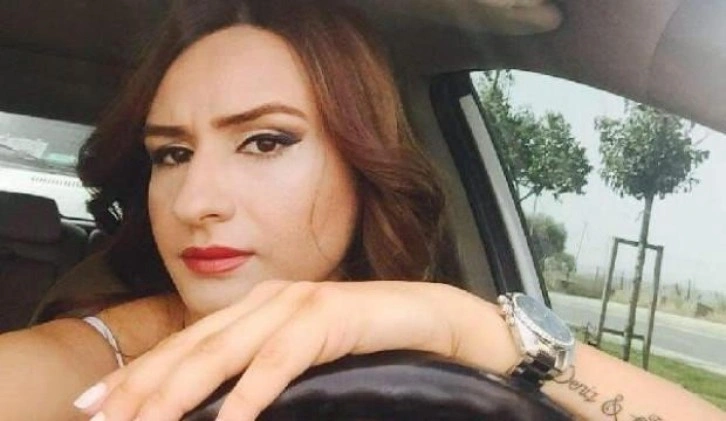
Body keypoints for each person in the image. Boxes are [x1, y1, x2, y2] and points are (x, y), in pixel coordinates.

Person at [0, 0, 722, 420]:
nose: (196, 202)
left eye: (265, 141)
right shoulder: (94, 355)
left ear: (362, 165)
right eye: (172, 154)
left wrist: (465, 325)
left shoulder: (446, 345)